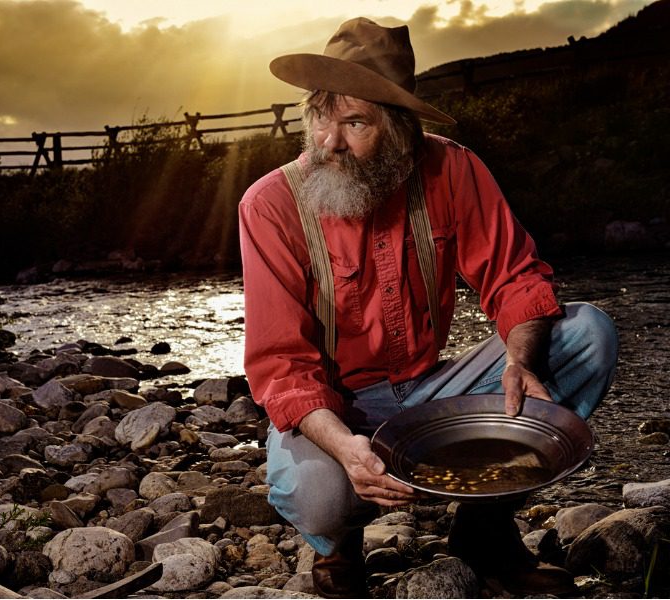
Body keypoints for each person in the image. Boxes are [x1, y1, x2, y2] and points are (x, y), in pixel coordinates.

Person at [238, 17, 618, 599]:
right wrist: (344, 447)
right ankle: (340, 547)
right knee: (316, 497)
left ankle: (485, 529)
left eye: (355, 122)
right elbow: (282, 363)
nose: (329, 142)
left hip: (429, 393)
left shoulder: (454, 168)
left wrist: (521, 360)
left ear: (398, 127)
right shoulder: (268, 206)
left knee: (589, 332)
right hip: (335, 409)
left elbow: (515, 279)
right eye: (321, 116)